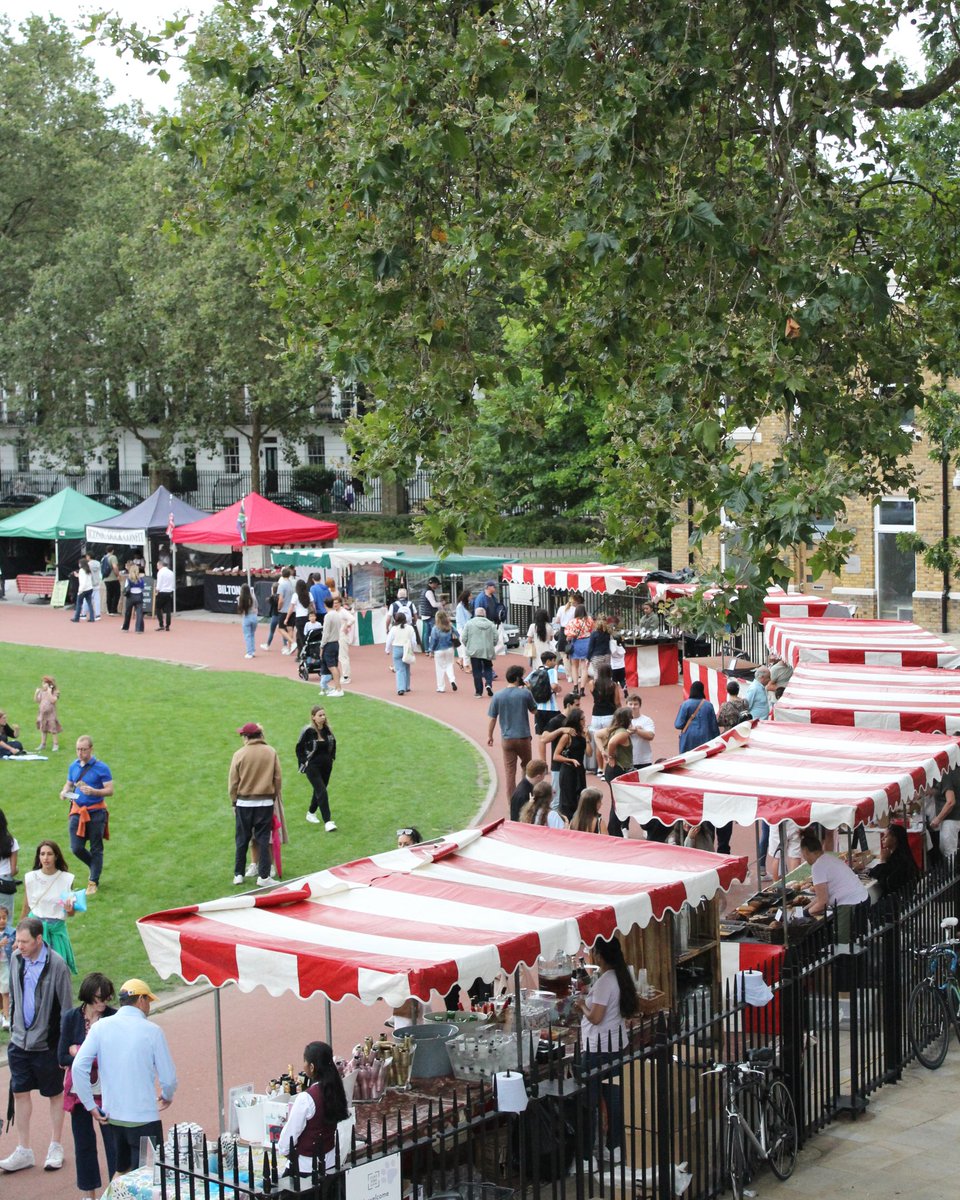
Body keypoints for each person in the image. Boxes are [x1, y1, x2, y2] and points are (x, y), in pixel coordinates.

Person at [71, 978, 177, 1176]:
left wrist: (90, 1105)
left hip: (114, 1118)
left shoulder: (100, 1027)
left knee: (121, 1171)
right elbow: (169, 1078)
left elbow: (78, 1067)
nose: (149, 1007)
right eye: (148, 1001)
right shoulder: (152, 1031)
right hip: (144, 1119)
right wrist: (167, 1094)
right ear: (141, 1000)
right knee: (150, 1177)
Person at [0, 917, 73, 1174]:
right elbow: (13, 997)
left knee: (54, 1093)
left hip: (47, 1045)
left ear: (39, 940)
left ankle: (55, 1145)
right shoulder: (16, 959)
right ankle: (24, 1150)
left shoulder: (58, 966)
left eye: (24, 941)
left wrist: (63, 1048)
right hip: (19, 1042)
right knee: (19, 1092)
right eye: (17, 940)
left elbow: (66, 1009)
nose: (18, 946)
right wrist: (13, 1028)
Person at [573, 936, 638, 1165]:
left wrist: (581, 1004)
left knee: (589, 1104)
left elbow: (596, 1017)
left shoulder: (605, 982)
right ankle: (616, 1147)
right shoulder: (619, 976)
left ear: (599, 954)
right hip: (616, 1045)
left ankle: (587, 1157)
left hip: (598, 1048)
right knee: (615, 1100)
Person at [58, 972, 118, 1200]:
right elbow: (62, 1057)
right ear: (88, 996)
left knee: (113, 1144)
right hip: (79, 1092)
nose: (103, 1003)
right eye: (98, 998)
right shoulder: (71, 1018)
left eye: (106, 998)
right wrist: (83, 1055)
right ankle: (88, 1195)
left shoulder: (114, 1017)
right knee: (83, 1145)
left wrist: (79, 1051)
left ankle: (116, 1192)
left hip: (106, 1091)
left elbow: (114, 1054)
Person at [277, 1041, 349, 1180]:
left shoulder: (306, 1099)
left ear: (312, 1066)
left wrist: (285, 1151)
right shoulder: (335, 1089)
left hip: (306, 1167)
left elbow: (288, 1139)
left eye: (305, 1061)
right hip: (330, 1161)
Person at [229, 722, 281, 886]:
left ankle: (238, 874)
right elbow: (277, 778)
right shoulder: (271, 752)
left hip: (244, 803)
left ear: (246, 737)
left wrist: (234, 802)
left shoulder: (239, 754)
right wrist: (272, 796)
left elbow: (233, 782)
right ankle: (264, 877)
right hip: (265, 802)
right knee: (263, 839)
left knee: (242, 839)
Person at [61, 735, 113, 897]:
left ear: (91, 749)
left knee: (96, 848)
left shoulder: (102, 768)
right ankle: (95, 867)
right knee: (76, 848)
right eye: (78, 749)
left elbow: (110, 790)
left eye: (83, 749)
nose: (80, 753)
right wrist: (64, 792)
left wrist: (94, 791)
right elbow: (69, 783)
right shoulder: (73, 766)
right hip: (77, 811)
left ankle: (93, 881)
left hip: (96, 813)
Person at [801, 830, 870, 942]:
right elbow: (821, 896)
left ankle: (848, 959)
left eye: (802, 854)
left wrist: (807, 913)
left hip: (850, 903)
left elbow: (823, 902)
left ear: (806, 851)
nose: (803, 857)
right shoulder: (829, 858)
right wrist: (807, 908)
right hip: (862, 898)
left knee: (843, 942)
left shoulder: (818, 866)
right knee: (859, 940)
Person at [21, 840, 77, 974]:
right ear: (39, 857)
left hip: (56, 931)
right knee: (34, 970)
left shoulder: (66, 879)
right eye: (42, 854)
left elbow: (71, 912)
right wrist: (20, 935)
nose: (46, 858)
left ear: (56, 856)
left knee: (58, 971)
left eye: (49, 854)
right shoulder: (31, 878)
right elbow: (26, 907)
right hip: (35, 929)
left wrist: (70, 910)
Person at [487, 664, 537, 797]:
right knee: (527, 768)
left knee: (510, 772)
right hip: (523, 737)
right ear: (517, 678)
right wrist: (529, 690)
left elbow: (492, 718)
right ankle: (526, 796)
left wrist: (490, 736)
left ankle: (512, 803)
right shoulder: (525, 693)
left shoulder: (497, 696)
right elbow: (534, 710)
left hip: (507, 738)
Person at [296, 706, 338, 832]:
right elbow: (299, 748)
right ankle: (328, 821)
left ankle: (311, 813)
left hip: (326, 766)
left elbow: (333, 744)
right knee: (322, 791)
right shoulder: (308, 731)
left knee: (320, 790)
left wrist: (332, 758)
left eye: (324, 715)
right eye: (320, 715)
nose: (323, 717)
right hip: (312, 766)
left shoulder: (327, 730)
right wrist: (304, 762)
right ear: (313, 717)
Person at [596, 707, 633, 837]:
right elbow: (611, 743)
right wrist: (610, 756)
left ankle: (615, 830)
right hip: (619, 769)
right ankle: (614, 831)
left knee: (617, 801)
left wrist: (602, 752)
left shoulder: (612, 730)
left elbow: (596, 735)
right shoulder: (623, 733)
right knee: (618, 803)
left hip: (612, 770)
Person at [525, 649, 565, 759]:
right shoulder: (552, 671)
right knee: (556, 734)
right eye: (553, 660)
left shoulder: (535, 672)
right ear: (548, 661)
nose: (555, 663)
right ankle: (556, 759)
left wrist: (534, 691)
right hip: (552, 709)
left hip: (538, 708)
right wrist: (559, 689)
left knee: (541, 738)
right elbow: (554, 686)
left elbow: (525, 683)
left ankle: (543, 762)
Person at [555, 707, 593, 821]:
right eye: (582, 719)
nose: (584, 721)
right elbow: (556, 756)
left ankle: (578, 823)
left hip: (579, 770)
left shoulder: (583, 734)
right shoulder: (567, 736)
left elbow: (589, 753)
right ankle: (567, 823)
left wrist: (587, 738)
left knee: (580, 798)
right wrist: (570, 760)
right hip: (568, 770)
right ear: (576, 720)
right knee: (568, 800)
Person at [868, 824, 919, 899]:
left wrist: (883, 860)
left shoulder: (899, 859)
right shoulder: (901, 854)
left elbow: (883, 881)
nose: (882, 839)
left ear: (895, 839)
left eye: (885, 836)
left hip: (896, 901)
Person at [674, 681, 720, 753]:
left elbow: (678, 724)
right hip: (706, 737)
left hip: (689, 738)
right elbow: (714, 726)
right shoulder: (709, 705)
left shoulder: (685, 704)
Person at [462, 604, 498, 697]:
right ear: (484, 614)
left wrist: (469, 645)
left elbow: (464, 637)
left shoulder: (469, 623)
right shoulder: (491, 624)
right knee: (488, 668)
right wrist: (491, 645)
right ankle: (489, 684)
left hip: (474, 650)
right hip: (487, 649)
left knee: (476, 671)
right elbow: (496, 638)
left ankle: (478, 692)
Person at [929, 763, 960, 859]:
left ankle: (952, 874)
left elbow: (950, 801)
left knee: (949, 852)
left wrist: (937, 819)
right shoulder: (954, 771)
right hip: (954, 818)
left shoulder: (947, 773)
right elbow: (942, 790)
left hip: (950, 818)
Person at [564, 604, 595, 696]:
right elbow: (592, 630)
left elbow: (568, 635)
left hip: (576, 643)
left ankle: (575, 687)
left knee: (574, 666)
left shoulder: (572, 622)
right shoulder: (589, 620)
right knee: (585, 667)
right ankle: (582, 689)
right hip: (587, 643)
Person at [385, 611, 418, 696]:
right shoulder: (410, 628)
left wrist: (387, 650)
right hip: (407, 648)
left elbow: (389, 640)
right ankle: (407, 686)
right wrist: (413, 649)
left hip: (397, 648)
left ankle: (400, 688)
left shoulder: (394, 628)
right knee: (407, 667)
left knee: (399, 669)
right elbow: (413, 641)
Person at [318, 597, 345, 695]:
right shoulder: (337, 614)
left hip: (329, 643)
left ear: (325, 605)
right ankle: (338, 687)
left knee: (332, 667)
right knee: (334, 666)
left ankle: (338, 689)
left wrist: (321, 646)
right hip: (335, 642)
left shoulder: (328, 616)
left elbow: (326, 633)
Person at [428, 609, 458, 692]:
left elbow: (433, 640)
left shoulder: (435, 628)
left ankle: (441, 687)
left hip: (439, 650)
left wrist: (431, 651)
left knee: (440, 668)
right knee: (449, 665)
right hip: (449, 648)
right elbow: (457, 634)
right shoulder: (450, 626)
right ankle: (452, 680)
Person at [0, 806, 19, 923]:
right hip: (5, 883)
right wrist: (17, 869)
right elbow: (13, 870)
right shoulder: (11, 842)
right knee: (6, 920)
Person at [34, 675, 62, 753]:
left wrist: (49, 692)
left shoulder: (55, 692)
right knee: (43, 729)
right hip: (42, 714)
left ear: (50, 685)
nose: (42, 685)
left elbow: (53, 700)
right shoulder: (42, 692)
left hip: (51, 715)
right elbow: (37, 700)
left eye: (44, 683)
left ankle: (55, 744)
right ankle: (43, 744)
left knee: (53, 729)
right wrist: (36, 693)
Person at [627, 694, 655, 769]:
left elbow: (651, 736)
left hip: (644, 760)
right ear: (627, 705)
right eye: (630, 704)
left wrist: (636, 730)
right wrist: (629, 732)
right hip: (626, 760)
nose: (633, 707)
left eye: (635, 704)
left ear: (640, 705)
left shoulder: (647, 720)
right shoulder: (621, 720)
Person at [335, 596, 356, 684]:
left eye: (336, 603)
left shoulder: (343, 611)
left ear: (340, 603)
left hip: (342, 636)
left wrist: (347, 626)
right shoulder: (334, 612)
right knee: (339, 656)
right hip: (336, 636)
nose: (335, 604)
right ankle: (339, 674)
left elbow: (352, 619)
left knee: (343, 656)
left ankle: (346, 676)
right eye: (334, 603)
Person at [120, 563, 145, 633]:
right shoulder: (141, 580)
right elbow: (143, 589)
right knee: (139, 613)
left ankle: (125, 628)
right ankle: (139, 629)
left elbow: (126, 588)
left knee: (128, 612)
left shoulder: (128, 579)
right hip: (139, 596)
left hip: (130, 597)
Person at [237, 583, 259, 659]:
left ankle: (249, 652)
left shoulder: (240, 598)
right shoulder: (253, 597)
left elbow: (241, 610)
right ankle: (252, 651)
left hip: (247, 617)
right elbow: (256, 605)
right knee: (252, 634)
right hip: (254, 617)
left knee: (247, 635)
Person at [419, 575, 442, 647]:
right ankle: (433, 648)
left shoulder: (424, 591)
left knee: (427, 633)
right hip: (430, 615)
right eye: (437, 584)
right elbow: (434, 604)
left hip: (425, 615)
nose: (437, 586)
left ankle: (427, 649)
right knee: (434, 632)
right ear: (433, 584)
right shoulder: (429, 592)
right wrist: (442, 603)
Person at [71, 557, 95, 624]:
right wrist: (77, 575)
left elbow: (83, 581)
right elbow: (85, 578)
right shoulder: (88, 570)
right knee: (90, 603)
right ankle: (92, 618)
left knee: (79, 604)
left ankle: (76, 618)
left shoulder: (81, 570)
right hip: (90, 588)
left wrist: (80, 591)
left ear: (81, 564)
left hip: (83, 589)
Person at [454, 588, 473, 673]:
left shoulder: (466, 605)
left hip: (466, 628)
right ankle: (466, 665)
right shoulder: (460, 607)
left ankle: (460, 660)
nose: (471, 597)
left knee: (464, 646)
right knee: (466, 647)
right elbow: (462, 620)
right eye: (470, 596)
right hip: (463, 629)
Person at [0, 906, 13, 1029]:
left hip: (5, 966)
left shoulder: (11, 932)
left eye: (4, 918)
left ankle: (7, 1017)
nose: (2, 921)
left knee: (5, 992)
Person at [154, 557, 175, 631]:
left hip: (162, 592)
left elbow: (159, 584)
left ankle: (161, 624)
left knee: (158, 608)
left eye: (157, 566)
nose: (157, 568)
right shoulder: (171, 572)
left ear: (160, 565)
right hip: (169, 592)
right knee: (168, 610)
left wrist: (156, 590)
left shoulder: (160, 572)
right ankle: (168, 625)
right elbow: (173, 584)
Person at [101, 549, 121, 616]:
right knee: (117, 593)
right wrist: (117, 575)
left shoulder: (103, 558)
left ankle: (109, 610)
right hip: (113, 578)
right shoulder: (113, 557)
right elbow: (115, 567)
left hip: (106, 578)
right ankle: (113, 610)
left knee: (109, 594)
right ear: (112, 550)